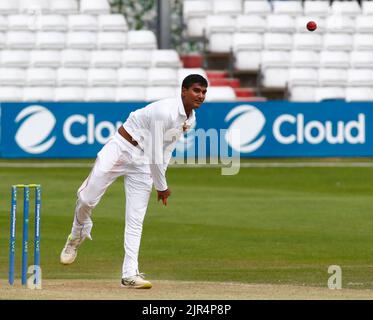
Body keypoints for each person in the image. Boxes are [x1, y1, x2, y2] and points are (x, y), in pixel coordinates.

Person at [60, 74, 208, 289]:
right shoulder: (164, 111)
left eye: (204, 92)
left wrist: (159, 182)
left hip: (144, 163)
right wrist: (162, 186)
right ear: (183, 90)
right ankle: (77, 234)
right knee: (86, 199)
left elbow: (165, 150)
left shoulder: (190, 120)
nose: (200, 96)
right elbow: (156, 152)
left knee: (135, 218)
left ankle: (129, 274)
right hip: (122, 148)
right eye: (196, 90)